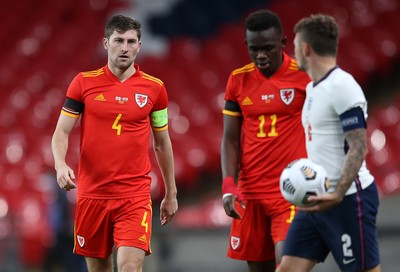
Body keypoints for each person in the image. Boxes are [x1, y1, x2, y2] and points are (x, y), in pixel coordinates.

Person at [51, 15, 178, 272]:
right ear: (106, 42)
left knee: (130, 267)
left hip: (134, 196)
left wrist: (171, 192)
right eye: (119, 40)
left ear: (139, 45)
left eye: (131, 41)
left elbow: (162, 143)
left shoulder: (155, 89)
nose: (125, 47)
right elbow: (61, 132)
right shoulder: (83, 83)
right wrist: (60, 165)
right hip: (92, 196)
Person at [277, 14, 381, 272]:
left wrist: (337, 192)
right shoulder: (313, 88)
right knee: (286, 269)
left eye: (295, 48)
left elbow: (358, 145)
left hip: (348, 199)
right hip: (317, 200)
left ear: (306, 48)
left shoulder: (342, 86)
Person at [220, 9, 310, 271]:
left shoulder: (303, 75)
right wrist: (228, 184)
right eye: (254, 48)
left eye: (268, 48)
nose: (261, 55)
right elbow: (229, 138)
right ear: (246, 46)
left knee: (287, 264)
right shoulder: (237, 80)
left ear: (282, 43)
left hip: (291, 191)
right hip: (251, 195)